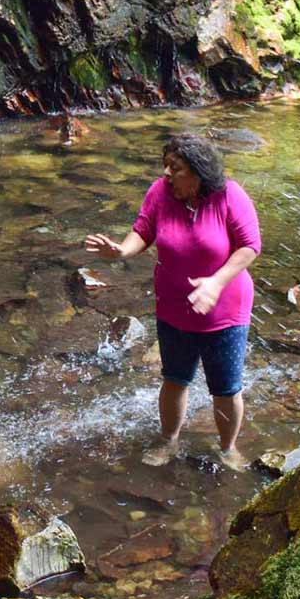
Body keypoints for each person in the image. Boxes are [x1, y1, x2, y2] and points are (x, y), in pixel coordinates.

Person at [84, 134, 261, 469]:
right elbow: (143, 231)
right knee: (175, 378)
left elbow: (250, 246)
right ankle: (169, 443)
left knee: (225, 388)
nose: (166, 173)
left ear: (198, 171)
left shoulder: (229, 195)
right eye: (165, 165)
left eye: (175, 168)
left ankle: (228, 449)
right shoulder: (160, 193)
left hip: (225, 309)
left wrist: (215, 283)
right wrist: (121, 251)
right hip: (173, 307)